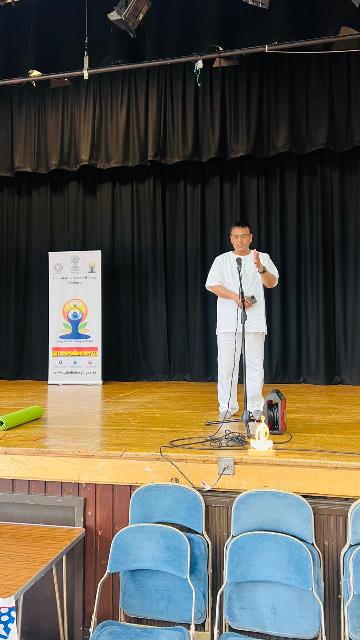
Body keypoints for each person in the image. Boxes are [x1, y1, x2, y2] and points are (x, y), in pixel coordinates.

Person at [205, 221, 279, 420]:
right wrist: (235, 297)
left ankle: (255, 407)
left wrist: (260, 268)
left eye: (244, 236)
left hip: (254, 322)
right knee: (227, 367)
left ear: (251, 237)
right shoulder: (221, 260)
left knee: (255, 365)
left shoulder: (262, 257)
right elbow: (212, 285)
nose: (240, 240)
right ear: (231, 239)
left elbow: (272, 283)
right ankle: (227, 407)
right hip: (228, 323)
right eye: (236, 237)